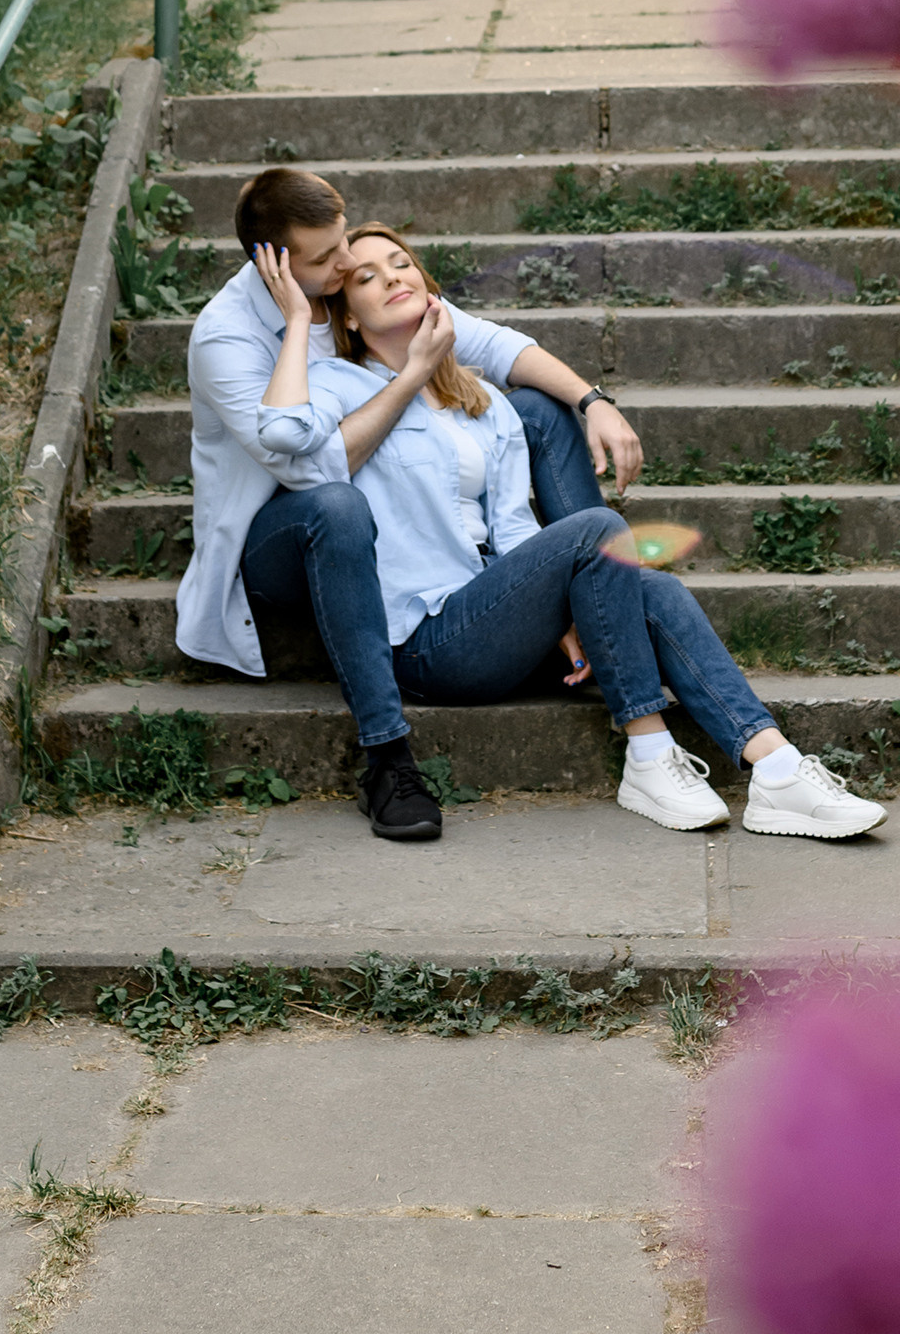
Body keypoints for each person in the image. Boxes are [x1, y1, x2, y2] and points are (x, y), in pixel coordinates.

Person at [255, 223, 888, 846]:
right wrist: (408, 374)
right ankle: (646, 748)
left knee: (652, 590)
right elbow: (306, 458)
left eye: (401, 263)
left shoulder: (483, 403)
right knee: (598, 532)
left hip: (488, 616)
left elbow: (512, 529)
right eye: (366, 276)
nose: (393, 276)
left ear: (428, 285)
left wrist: (558, 610)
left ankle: (776, 767)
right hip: (422, 641)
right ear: (350, 319)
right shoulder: (336, 388)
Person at [182, 164, 646, 840]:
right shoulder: (226, 338)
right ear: (271, 261)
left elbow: (491, 344)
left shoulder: (350, 275)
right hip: (274, 537)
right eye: (326, 257)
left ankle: (596, 608)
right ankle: (387, 758)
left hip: (367, 509)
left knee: (539, 408)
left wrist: (592, 400)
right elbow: (314, 466)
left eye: (345, 242)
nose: (347, 262)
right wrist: (391, 366)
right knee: (338, 507)